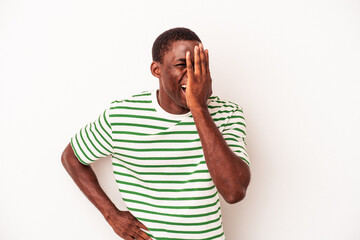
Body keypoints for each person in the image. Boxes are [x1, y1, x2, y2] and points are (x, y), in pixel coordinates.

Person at [61, 27, 251, 240]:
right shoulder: (123, 115)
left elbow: (234, 192)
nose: (193, 75)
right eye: (182, 65)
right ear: (156, 69)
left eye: (199, 66)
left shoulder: (228, 113)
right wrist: (111, 215)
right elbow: (72, 157)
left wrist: (199, 108)